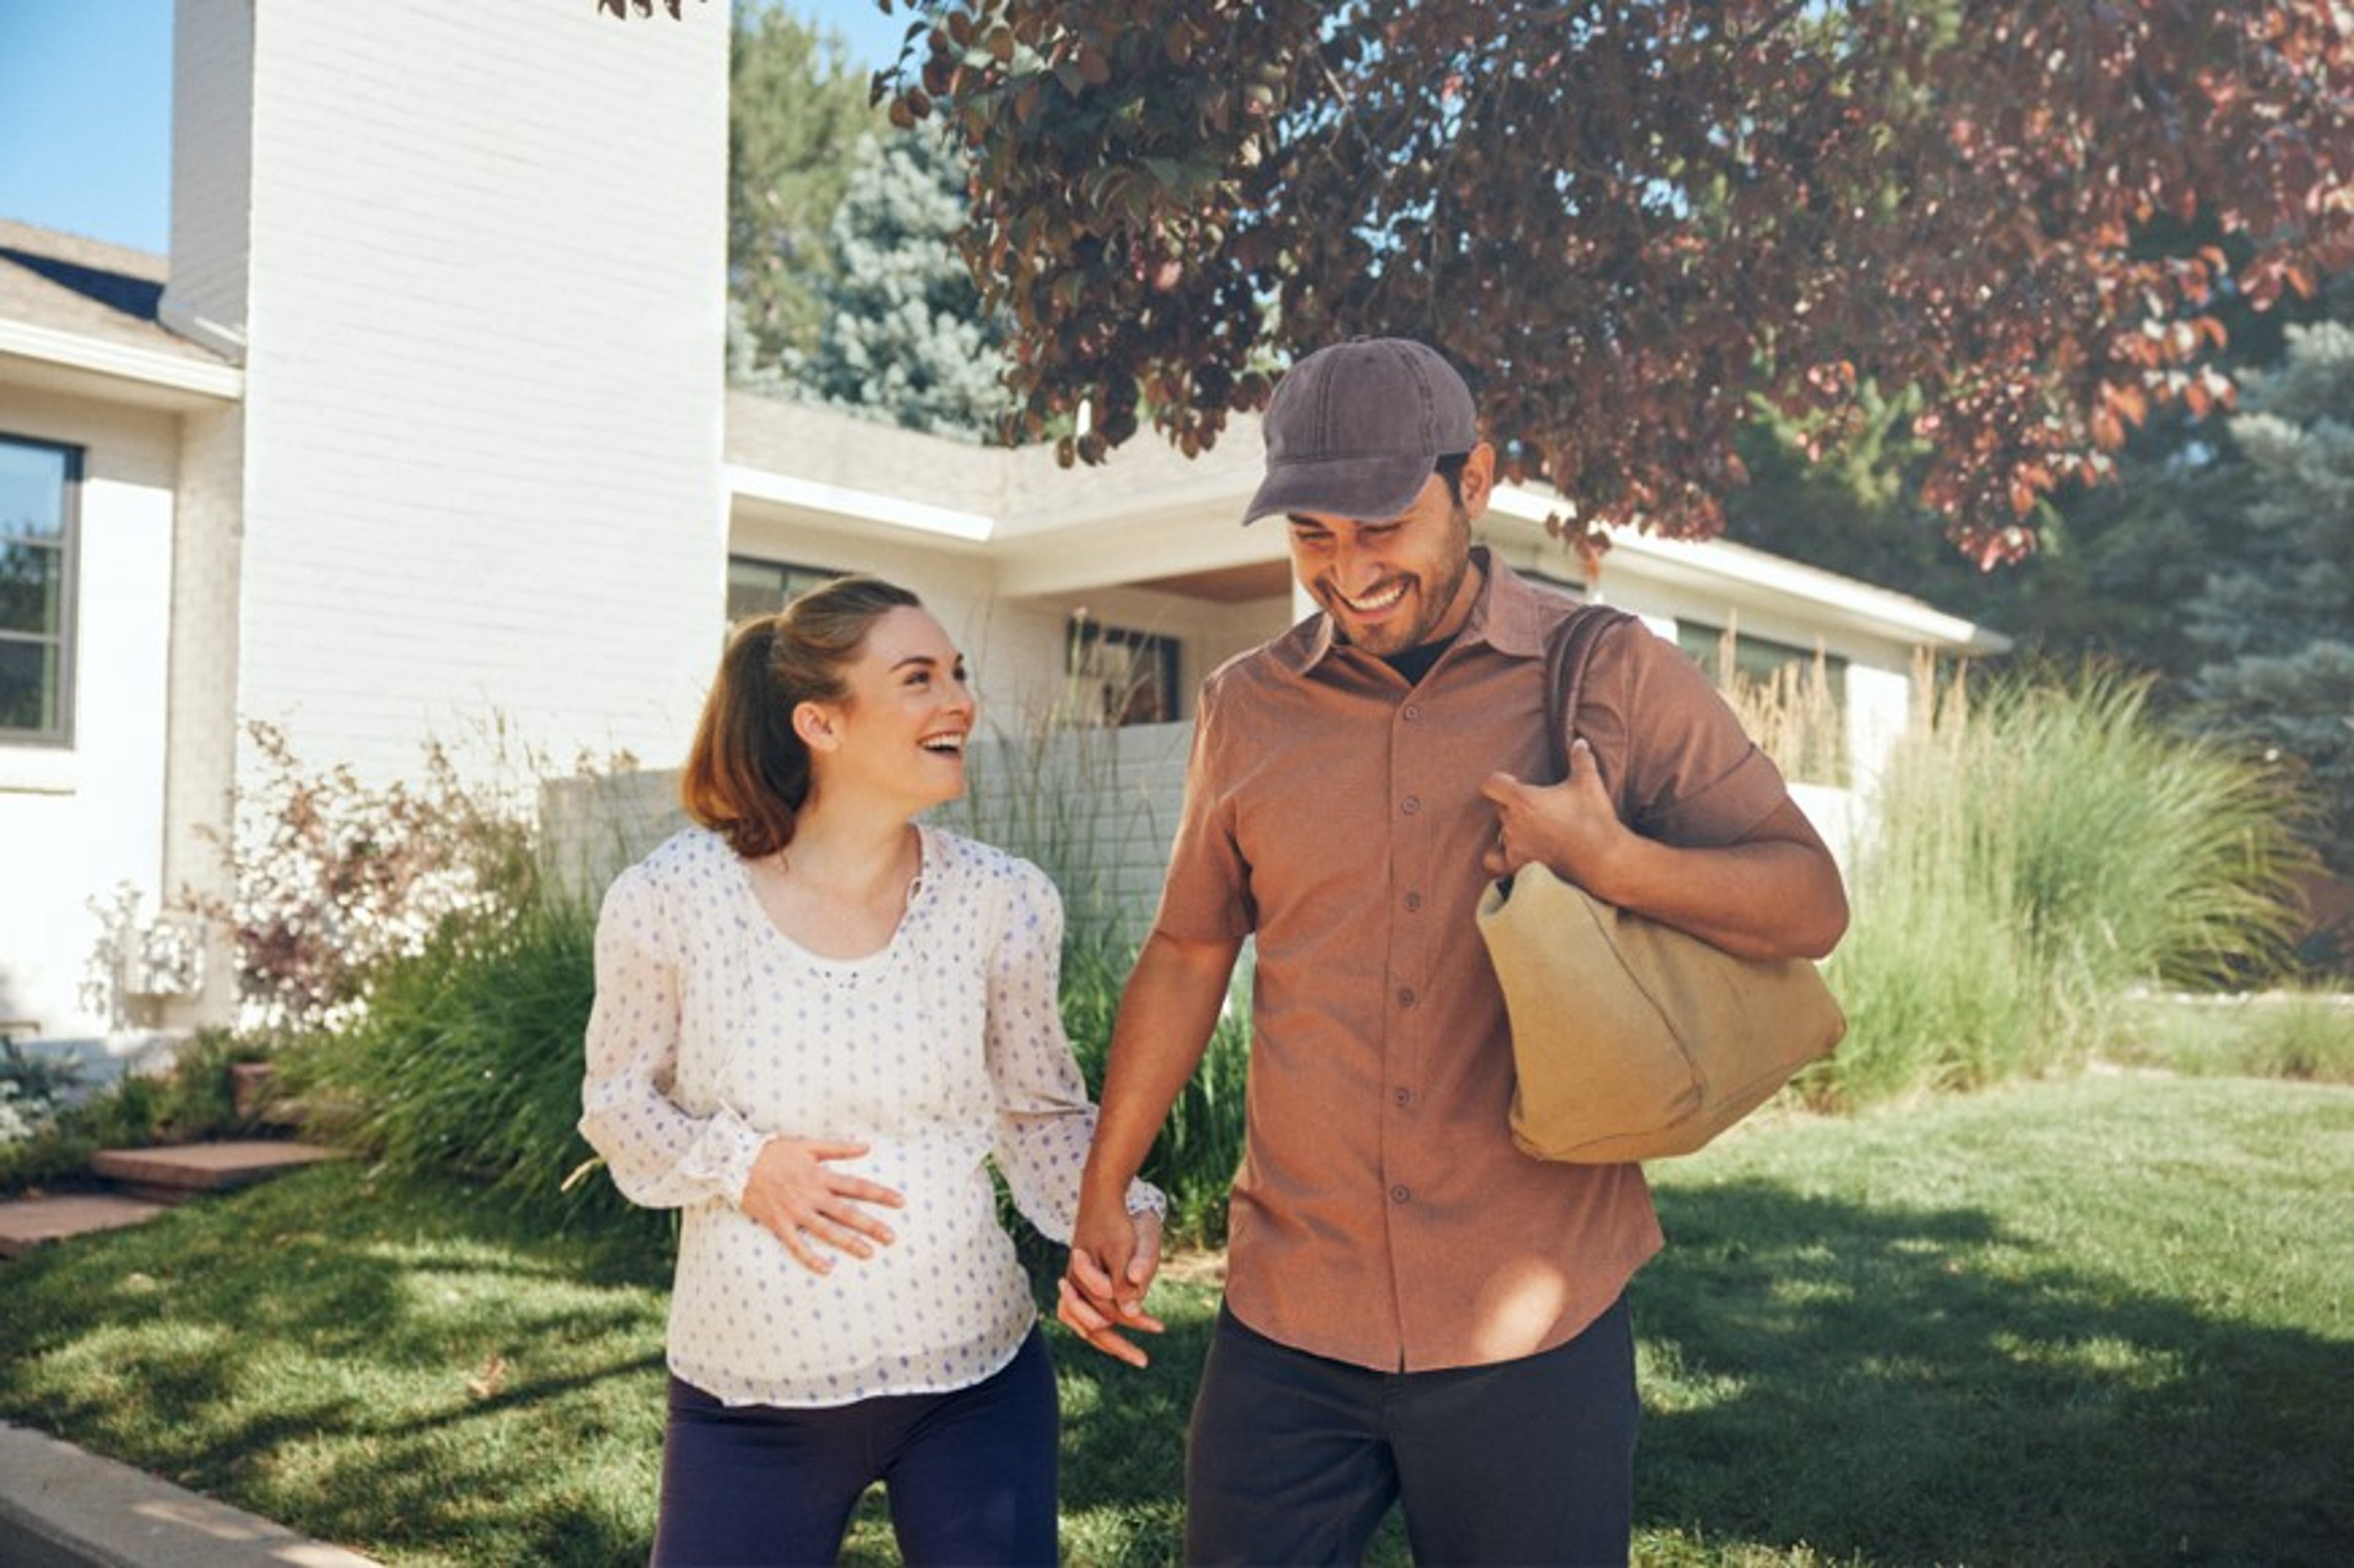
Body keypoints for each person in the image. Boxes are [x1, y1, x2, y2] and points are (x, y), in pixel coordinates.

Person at [1057, 338, 1849, 1566]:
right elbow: (1190, 942)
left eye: (1380, 525)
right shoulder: (1246, 706)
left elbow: (1810, 905)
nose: (1347, 571)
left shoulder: (1612, 673)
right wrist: (1106, 1181)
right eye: (1313, 535)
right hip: (1288, 1325)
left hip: (1535, 1319)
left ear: (1473, 480)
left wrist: (1613, 858)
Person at [580, 574, 1165, 1567]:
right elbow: (617, 1105)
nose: (959, 702)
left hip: (974, 1382)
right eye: (919, 678)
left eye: (959, 674)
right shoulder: (672, 900)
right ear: (822, 720)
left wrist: (1119, 1208)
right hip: (749, 1399)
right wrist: (743, 1163)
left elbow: (1040, 1116)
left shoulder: (1003, 900)